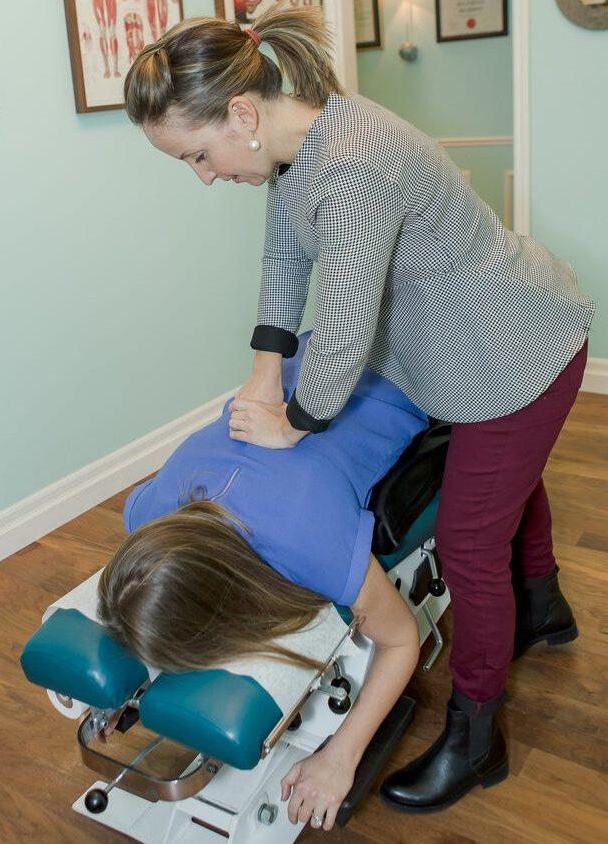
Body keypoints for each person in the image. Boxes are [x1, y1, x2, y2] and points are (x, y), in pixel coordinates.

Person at [122, 5, 594, 817]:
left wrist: (293, 423)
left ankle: (476, 735)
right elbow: (281, 260)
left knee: (469, 539)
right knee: (505, 484)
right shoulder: (301, 145)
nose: (202, 175)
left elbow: (338, 337)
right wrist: (261, 373)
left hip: (515, 343)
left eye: (198, 155)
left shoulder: (349, 168)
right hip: (453, 346)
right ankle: (542, 606)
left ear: (241, 113)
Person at [98, 333, 428, 830]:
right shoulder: (149, 512)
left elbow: (402, 640)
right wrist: (125, 688)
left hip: (412, 367)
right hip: (323, 349)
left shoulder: (308, 544)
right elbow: (152, 591)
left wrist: (342, 756)